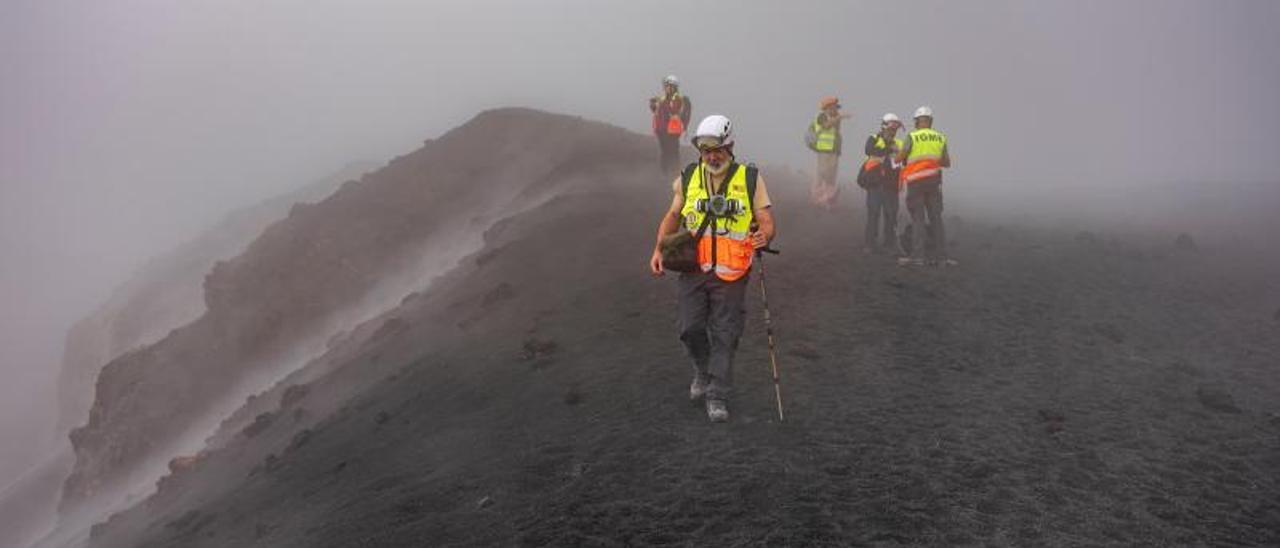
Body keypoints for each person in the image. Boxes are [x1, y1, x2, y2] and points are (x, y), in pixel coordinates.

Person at [649, 115, 776, 423]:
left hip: (733, 272)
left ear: (730, 146)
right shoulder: (689, 178)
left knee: (725, 334)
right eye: (706, 151)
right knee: (690, 329)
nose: (712, 156)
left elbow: (766, 219)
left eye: (717, 149)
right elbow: (672, 216)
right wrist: (658, 248)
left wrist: (765, 234)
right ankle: (702, 372)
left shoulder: (749, 178)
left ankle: (717, 394)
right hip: (693, 268)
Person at [896, 106, 955, 266]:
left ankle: (918, 257)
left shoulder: (912, 136)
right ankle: (941, 258)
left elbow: (899, 158)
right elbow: (947, 163)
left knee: (918, 219)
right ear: (930, 121)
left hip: (916, 183)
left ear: (917, 121)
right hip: (934, 183)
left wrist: (900, 156)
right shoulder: (940, 137)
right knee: (936, 219)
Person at [857, 113, 904, 254]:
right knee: (873, 214)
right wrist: (889, 149)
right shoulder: (873, 138)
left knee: (891, 216)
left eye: (895, 129)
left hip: (891, 185)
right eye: (891, 128)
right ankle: (869, 244)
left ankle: (889, 244)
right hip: (875, 185)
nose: (893, 131)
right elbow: (869, 150)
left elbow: (905, 160)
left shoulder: (900, 144)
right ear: (884, 127)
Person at [806, 96, 852, 210]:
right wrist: (840, 118)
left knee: (831, 175)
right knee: (823, 173)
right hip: (824, 150)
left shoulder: (834, 118)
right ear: (827, 108)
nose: (836, 110)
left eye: (836, 108)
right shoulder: (822, 116)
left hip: (833, 151)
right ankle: (817, 198)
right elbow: (826, 126)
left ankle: (828, 198)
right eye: (834, 107)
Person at [649, 75, 693, 179]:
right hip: (661, 130)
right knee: (665, 150)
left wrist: (685, 127)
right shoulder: (661, 99)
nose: (668, 88)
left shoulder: (678, 99)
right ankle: (666, 172)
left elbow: (678, 112)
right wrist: (653, 105)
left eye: (670, 86)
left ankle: (674, 172)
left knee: (673, 150)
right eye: (666, 86)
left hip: (673, 130)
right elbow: (655, 112)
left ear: (675, 87)